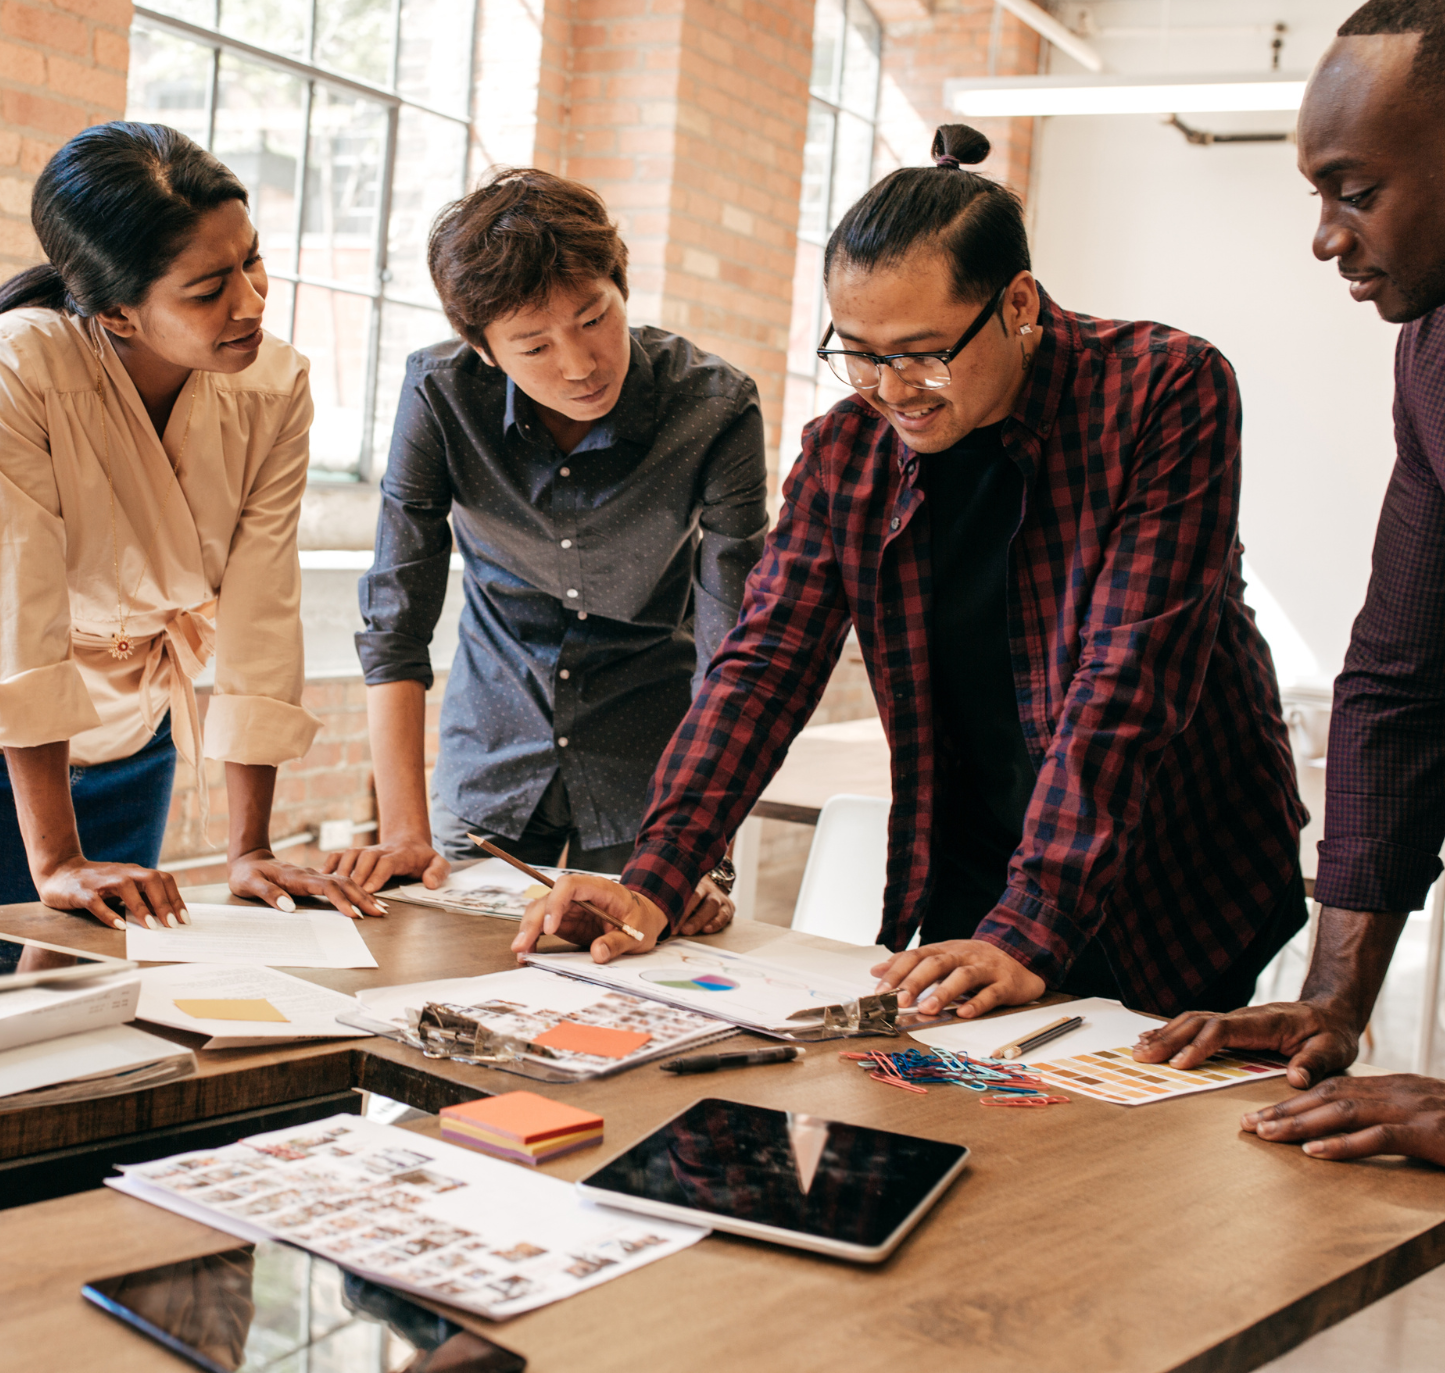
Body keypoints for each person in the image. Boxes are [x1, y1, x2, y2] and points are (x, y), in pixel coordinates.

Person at [515, 126, 1309, 1026]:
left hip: (1171, 860)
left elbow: (1130, 679)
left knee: (1128, 1142)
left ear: (1016, 304)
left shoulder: (1163, 392)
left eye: (924, 352)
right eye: (858, 352)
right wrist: (656, 876)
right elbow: (763, 666)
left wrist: (1033, 924)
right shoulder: (848, 451)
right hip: (978, 864)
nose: (891, 390)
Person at [0, 122, 382, 931]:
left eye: (252, 262)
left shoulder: (277, 386)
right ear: (118, 313)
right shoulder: (18, 365)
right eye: (207, 290)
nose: (252, 303)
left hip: (137, 730)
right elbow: (17, 616)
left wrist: (250, 850)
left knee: (109, 988)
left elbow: (262, 607)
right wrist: (56, 861)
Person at [1137, 0, 1445, 1167]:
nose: (1324, 238)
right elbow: (1399, 681)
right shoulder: (1429, 355)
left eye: (1355, 191)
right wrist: (1332, 1003)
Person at [327, 168, 761, 935]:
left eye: (595, 318)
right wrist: (402, 830)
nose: (579, 363)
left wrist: (700, 851)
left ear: (621, 287)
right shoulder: (439, 394)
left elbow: (734, 650)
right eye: (534, 345)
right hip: (493, 751)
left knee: (627, 994)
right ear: (484, 349)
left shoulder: (716, 407)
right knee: (446, 969)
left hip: (652, 774)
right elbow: (396, 618)